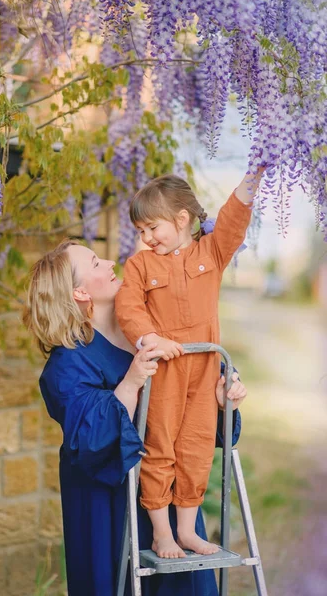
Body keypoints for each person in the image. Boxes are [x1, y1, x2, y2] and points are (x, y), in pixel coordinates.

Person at [23, 239, 247, 596]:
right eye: (96, 263)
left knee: (185, 584)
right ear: (79, 292)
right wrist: (131, 382)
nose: (112, 262)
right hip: (109, 506)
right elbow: (90, 440)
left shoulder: (157, 330)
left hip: (170, 496)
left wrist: (220, 400)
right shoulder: (67, 364)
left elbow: (192, 419)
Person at [115, 170, 264, 559]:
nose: (146, 238)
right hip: (165, 369)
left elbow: (233, 220)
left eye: (152, 227)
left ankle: (187, 531)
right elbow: (128, 307)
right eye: (141, 230)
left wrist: (253, 177)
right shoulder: (140, 265)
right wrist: (150, 338)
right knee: (159, 445)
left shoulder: (211, 253)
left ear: (181, 219)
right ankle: (161, 533)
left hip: (204, 367)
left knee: (196, 445)